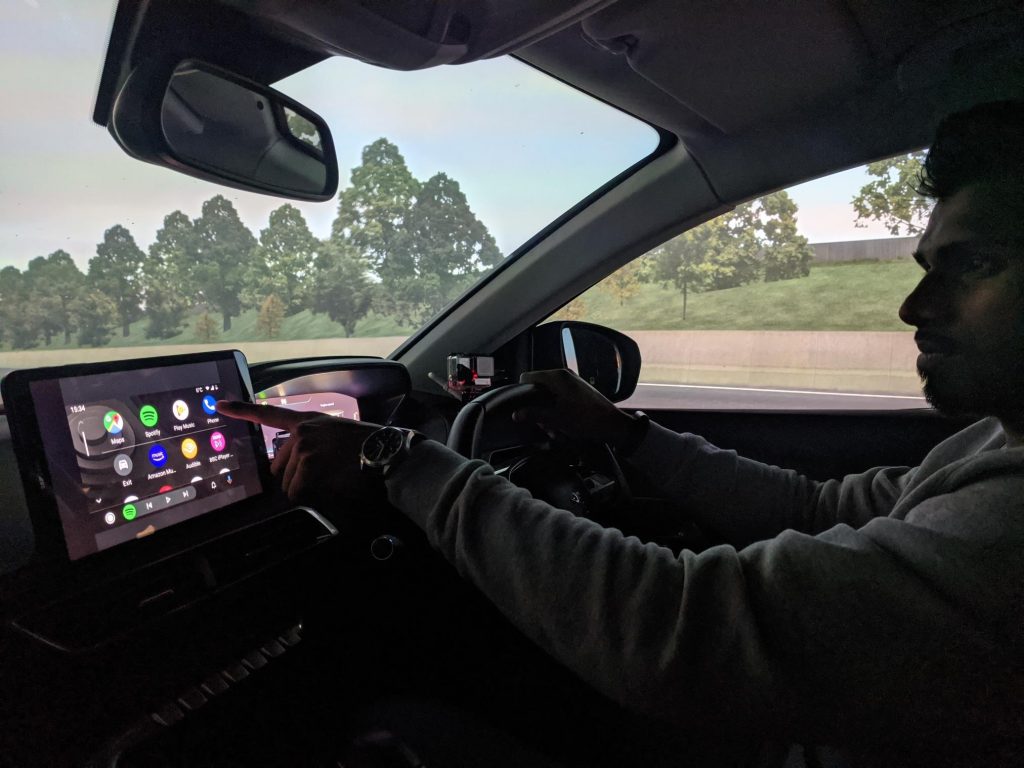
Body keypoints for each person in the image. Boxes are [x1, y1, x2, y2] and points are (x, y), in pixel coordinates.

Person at [218, 101, 1024, 767]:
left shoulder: (1008, 517)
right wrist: (625, 435)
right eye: (926, 267)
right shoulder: (990, 443)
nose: (914, 308)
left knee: (394, 729)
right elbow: (817, 510)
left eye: (975, 264)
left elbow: (687, 629)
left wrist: (397, 458)